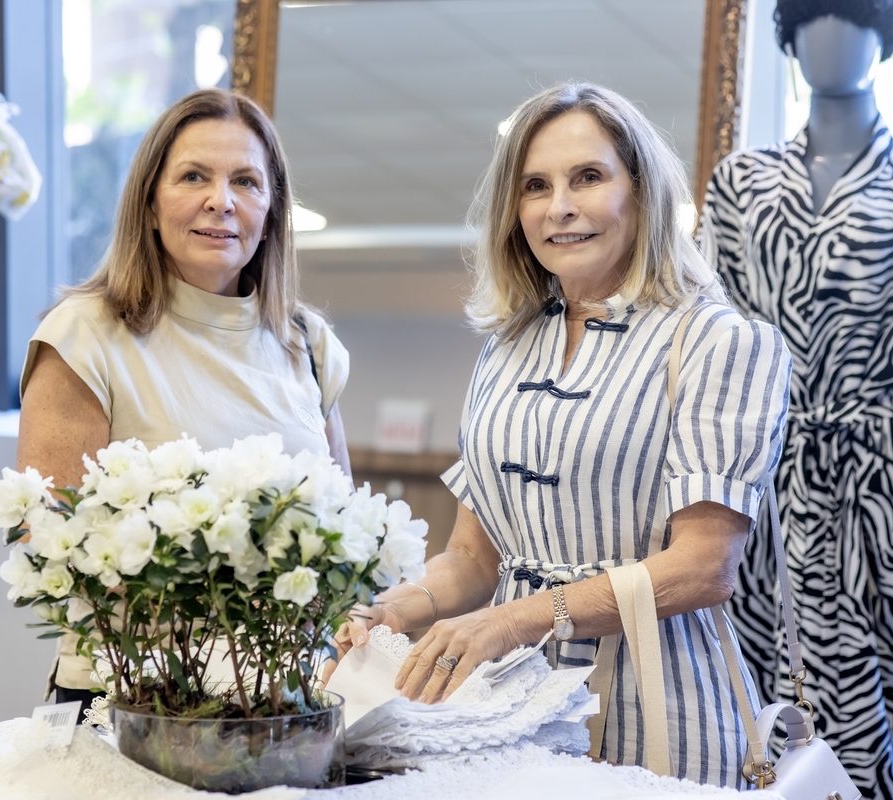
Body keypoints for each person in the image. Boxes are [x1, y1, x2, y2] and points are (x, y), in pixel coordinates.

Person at [327, 82, 791, 787]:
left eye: (588, 177)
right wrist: (389, 610)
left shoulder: (719, 341)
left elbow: (704, 568)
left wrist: (510, 621)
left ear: (641, 192)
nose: (559, 207)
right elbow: (472, 559)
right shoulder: (505, 349)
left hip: (664, 711)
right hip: (510, 713)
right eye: (536, 186)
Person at [698, 1, 893, 796]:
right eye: (814, 16)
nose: (833, 38)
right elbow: (704, 348)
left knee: (885, 731)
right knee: (751, 724)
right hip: (762, 487)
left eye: (855, 16)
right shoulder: (741, 185)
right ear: (788, 35)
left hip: (886, 496)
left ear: (886, 32)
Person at [16, 88, 351, 709]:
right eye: (194, 176)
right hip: (130, 698)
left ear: (271, 210)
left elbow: (341, 534)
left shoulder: (307, 343)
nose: (220, 200)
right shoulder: (84, 334)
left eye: (245, 181)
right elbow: (44, 534)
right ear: (149, 203)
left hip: (281, 697)